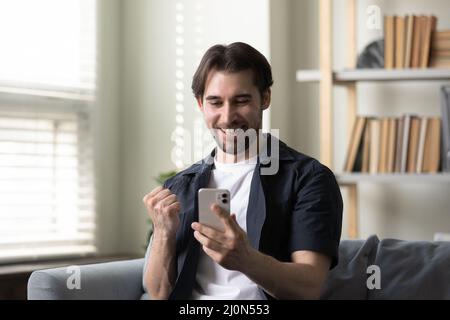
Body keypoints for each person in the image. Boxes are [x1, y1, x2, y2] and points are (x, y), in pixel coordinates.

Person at [142, 42, 342, 300]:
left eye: (241, 100)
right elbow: (158, 293)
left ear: (265, 98)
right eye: (215, 102)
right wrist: (163, 233)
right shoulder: (179, 186)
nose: (227, 117)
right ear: (201, 104)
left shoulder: (309, 179)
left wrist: (245, 258)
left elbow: (308, 287)